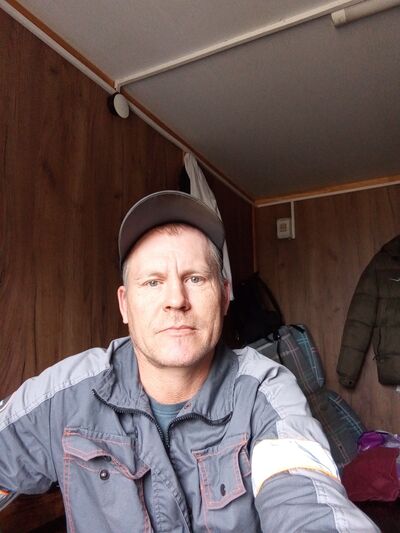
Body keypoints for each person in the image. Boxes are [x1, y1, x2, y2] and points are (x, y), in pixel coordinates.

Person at [0, 190, 378, 532]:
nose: (176, 300)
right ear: (124, 305)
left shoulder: (265, 391)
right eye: (153, 282)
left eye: (195, 278)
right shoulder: (65, 394)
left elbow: (306, 498)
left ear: (225, 297)